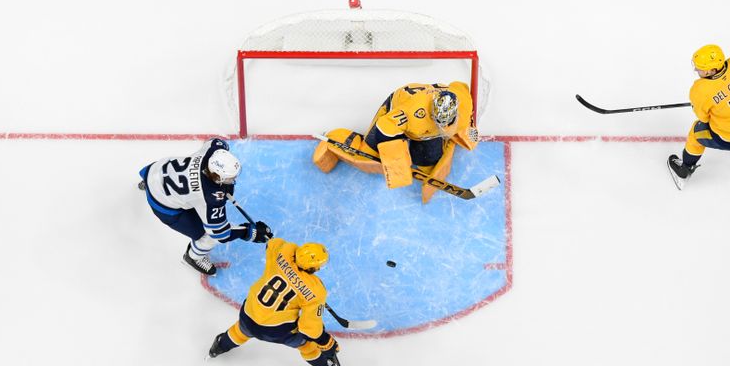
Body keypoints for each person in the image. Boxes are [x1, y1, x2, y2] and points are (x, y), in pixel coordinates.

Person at [313, 82, 480, 203]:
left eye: (447, 124)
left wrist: (466, 130)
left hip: (424, 129)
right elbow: (385, 127)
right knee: (370, 155)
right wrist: (394, 159)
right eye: (438, 121)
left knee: (427, 161)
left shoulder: (462, 106)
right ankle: (339, 138)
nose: (443, 127)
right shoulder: (412, 112)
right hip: (394, 112)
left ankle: (425, 151)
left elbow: (460, 86)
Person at [207, 238, 339, 366]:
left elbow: (272, 244)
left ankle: (218, 347)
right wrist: (327, 343)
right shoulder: (315, 290)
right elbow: (309, 329)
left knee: (240, 331)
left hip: (249, 314)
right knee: (307, 345)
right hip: (276, 331)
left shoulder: (283, 253)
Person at [139, 137, 272, 275]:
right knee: (205, 237)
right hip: (164, 205)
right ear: (218, 178)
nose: (234, 180)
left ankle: (147, 185)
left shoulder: (213, 150)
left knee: (170, 186)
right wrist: (248, 232)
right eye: (230, 178)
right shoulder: (210, 197)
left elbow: (215, 141)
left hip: (155, 171)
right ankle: (194, 257)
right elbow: (220, 234)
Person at [668, 45, 730, 190]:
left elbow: (704, 118)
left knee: (696, 133)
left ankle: (684, 169)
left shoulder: (700, 91)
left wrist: (704, 103)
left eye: (700, 68)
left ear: (712, 70)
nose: (696, 70)